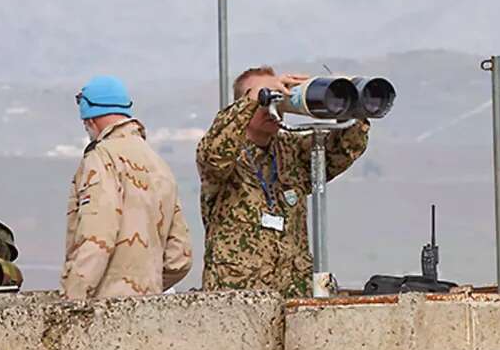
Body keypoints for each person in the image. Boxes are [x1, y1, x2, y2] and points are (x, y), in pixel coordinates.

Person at [197, 66, 370, 297]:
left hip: (291, 296)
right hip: (237, 300)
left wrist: (343, 96)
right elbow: (214, 153)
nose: (271, 107)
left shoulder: (291, 152)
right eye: (267, 98)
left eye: (277, 98)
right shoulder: (225, 157)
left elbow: (345, 146)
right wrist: (254, 98)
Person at [61, 76, 193, 300]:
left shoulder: (101, 158)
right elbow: (179, 257)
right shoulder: (159, 165)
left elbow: (96, 238)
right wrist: (142, 284)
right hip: (148, 310)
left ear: (89, 119)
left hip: (104, 312)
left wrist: (72, 300)